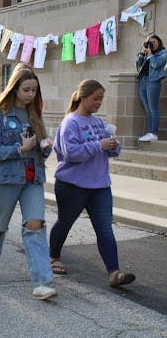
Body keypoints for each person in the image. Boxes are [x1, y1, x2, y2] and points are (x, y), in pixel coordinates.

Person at [0, 65, 57, 300]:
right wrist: (19, 149)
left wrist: (45, 148)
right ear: (14, 88)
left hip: (33, 179)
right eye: (26, 89)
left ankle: (42, 282)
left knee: (35, 225)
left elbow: (41, 151)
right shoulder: (0, 115)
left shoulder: (36, 114)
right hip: (7, 179)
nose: (31, 94)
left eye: (34, 90)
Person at [49, 79, 136, 287]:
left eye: (101, 99)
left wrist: (114, 146)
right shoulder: (70, 122)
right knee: (65, 222)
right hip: (72, 186)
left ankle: (114, 273)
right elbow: (71, 154)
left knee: (105, 229)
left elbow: (109, 147)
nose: (99, 103)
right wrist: (99, 145)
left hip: (100, 186)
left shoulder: (97, 122)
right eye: (96, 99)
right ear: (83, 97)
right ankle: (53, 256)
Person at [136, 34, 167, 142]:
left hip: (153, 81)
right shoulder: (147, 53)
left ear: (159, 42)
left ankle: (153, 133)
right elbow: (138, 64)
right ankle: (150, 133)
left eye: (154, 41)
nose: (152, 44)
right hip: (142, 81)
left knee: (153, 109)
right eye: (150, 42)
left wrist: (150, 54)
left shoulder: (163, 53)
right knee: (148, 109)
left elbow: (156, 64)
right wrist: (142, 53)